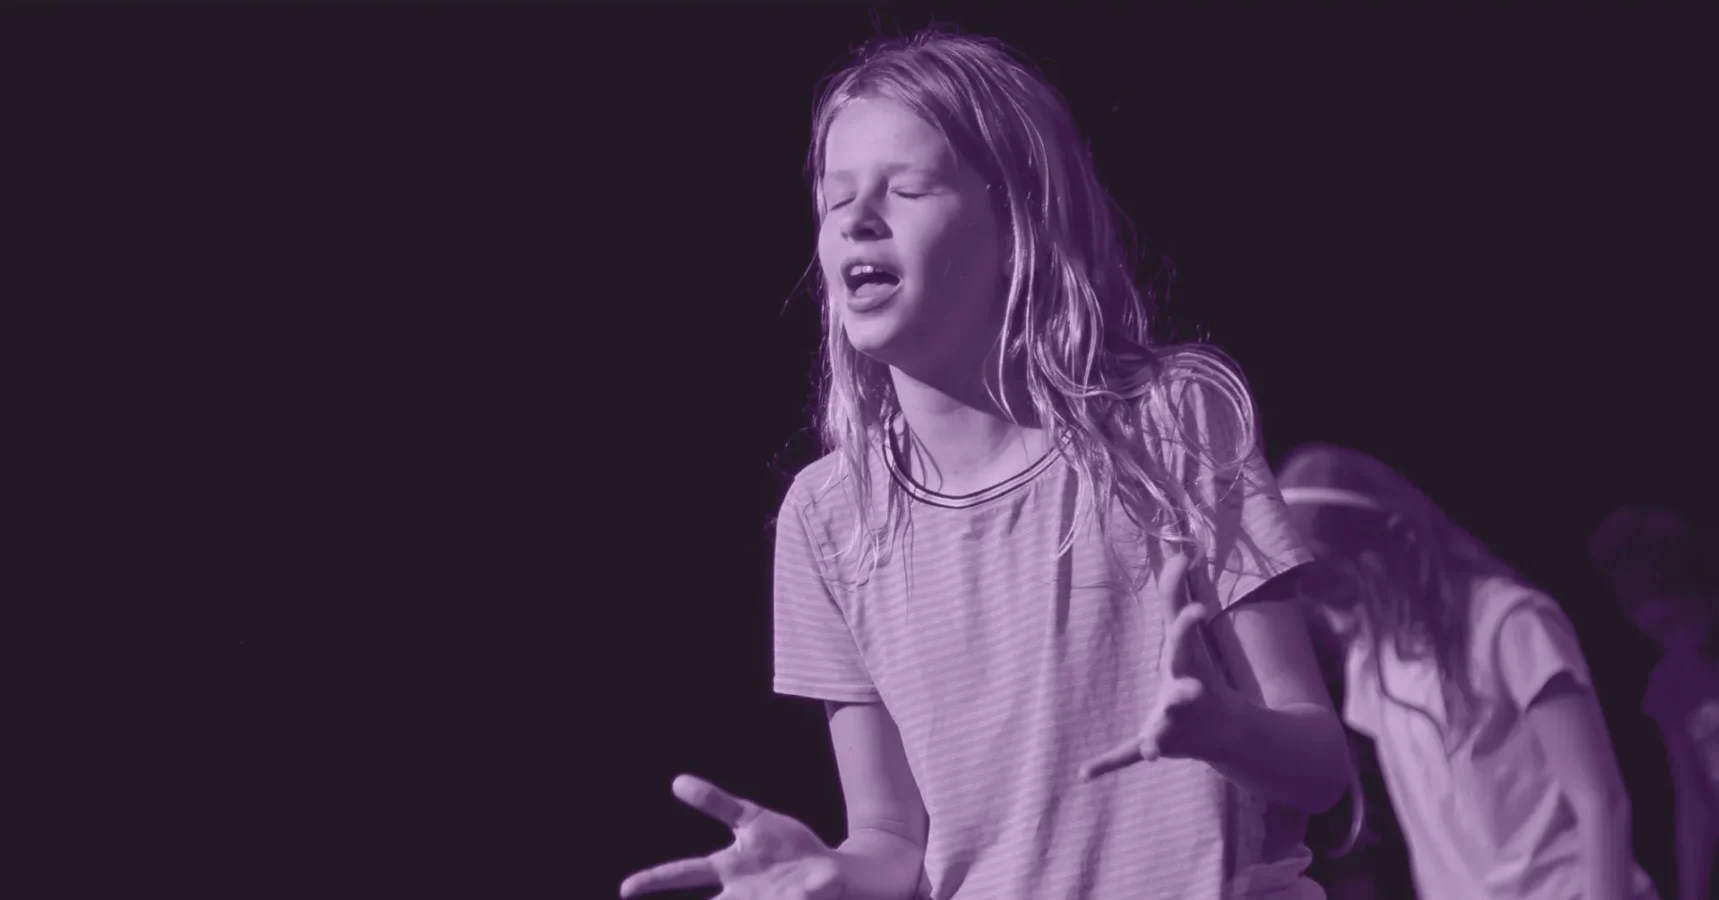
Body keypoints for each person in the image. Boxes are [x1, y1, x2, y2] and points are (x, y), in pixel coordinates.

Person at [618, 27, 1351, 900]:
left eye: (908, 187)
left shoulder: (1169, 420)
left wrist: (1224, 730)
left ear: (1019, 223)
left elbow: (1320, 766)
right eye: (833, 196)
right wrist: (831, 873)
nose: (857, 217)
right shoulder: (826, 515)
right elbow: (889, 837)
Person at [1278, 444, 1659, 900]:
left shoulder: (1507, 622)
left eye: (1337, 586)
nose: (1333, 615)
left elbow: (1602, 802)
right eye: (1316, 594)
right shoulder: (1370, 660)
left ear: (1394, 540)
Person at [1590, 505, 1719, 900]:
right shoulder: (1671, 685)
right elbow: (1694, 803)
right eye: (1633, 611)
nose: (1651, 626)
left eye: (1672, 621)